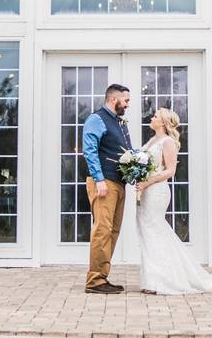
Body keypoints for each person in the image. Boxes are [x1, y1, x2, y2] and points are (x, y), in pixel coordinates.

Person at [136, 107, 212, 295]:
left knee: (155, 232)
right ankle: (151, 278)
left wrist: (147, 182)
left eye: (156, 116)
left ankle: (161, 281)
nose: (152, 117)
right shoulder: (152, 140)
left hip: (157, 191)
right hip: (146, 190)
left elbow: (170, 171)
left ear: (164, 122)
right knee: (148, 233)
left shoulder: (168, 142)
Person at [82, 83, 132, 294]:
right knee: (102, 231)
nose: (127, 104)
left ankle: (102, 276)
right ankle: (94, 281)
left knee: (113, 230)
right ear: (114, 99)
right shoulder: (97, 119)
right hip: (104, 183)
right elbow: (90, 149)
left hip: (119, 183)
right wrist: (99, 179)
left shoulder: (119, 123)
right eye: (126, 100)